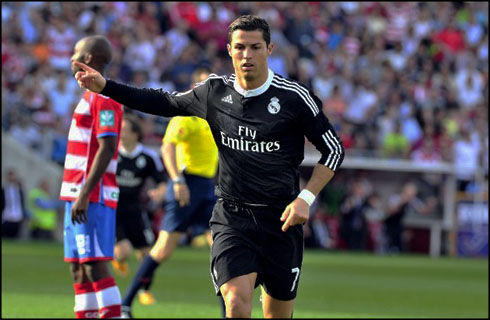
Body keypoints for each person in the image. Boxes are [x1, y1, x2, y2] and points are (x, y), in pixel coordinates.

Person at [74, 15, 345, 318]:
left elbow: (333, 150)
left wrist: (305, 198)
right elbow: (164, 102)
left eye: (255, 47)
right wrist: (107, 86)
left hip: (281, 220)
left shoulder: (294, 98)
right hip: (233, 217)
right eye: (240, 47)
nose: (247, 55)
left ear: (269, 49)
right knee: (235, 302)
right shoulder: (214, 92)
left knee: (276, 315)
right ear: (229, 50)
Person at [119, 67, 225, 318]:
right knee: (163, 249)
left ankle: (227, 313)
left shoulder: (216, 116)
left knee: (222, 249)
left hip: (207, 187)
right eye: (205, 83)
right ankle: (125, 304)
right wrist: (177, 180)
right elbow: (167, 148)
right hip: (186, 186)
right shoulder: (186, 115)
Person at [60, 35, 123, 318]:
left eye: (76, 51)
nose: (71, 57)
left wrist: (85, 193)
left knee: (95, 263)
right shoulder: (88, 96)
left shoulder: (105, 96)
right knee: (79, 267)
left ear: (87, 59)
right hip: (75, 192)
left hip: (93, 195)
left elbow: (108, 146)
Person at [112, 113, 167, 306]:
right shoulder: (111, 153)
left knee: (147, 253)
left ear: (136, 134)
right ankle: (118, 258)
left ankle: (144, 291)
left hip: (135, 208)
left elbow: (162, 181)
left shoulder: (147, 157)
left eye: (125, 130)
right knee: (124, 251)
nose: (121, 133)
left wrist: (159, 192)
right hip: (114, 209)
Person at [384, 181, 437, 254]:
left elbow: (422, 211)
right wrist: (402, 201)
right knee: (389, 243)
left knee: (399, 243)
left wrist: (430, 206)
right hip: (390, 223)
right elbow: (390, 211)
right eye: (412, 192)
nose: (413, 194)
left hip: (399, 224)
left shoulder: (412, 200)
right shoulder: (396, 197)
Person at [2, 168, 28, 239]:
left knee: (15, 237)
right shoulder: (4, 189)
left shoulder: (19, 190)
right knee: (6, 237)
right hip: (6, 215)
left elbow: (22, 203)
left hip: (17, 216)